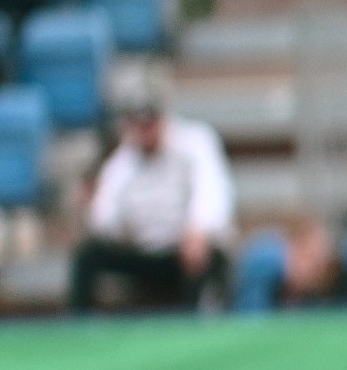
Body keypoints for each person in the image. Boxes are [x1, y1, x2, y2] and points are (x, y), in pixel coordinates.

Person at [69, 63, 234, 313]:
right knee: (88, 257)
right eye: (138, 123)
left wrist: (199, 230)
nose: (145, 130)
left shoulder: (195, 142)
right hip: (143, 254)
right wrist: (91, 208)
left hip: (184, 250)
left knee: (205, 255)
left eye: (150, 121)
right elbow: (106, 221)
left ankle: (197, 325)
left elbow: (212, 192)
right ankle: (79, 327)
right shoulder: (121, 164)